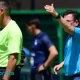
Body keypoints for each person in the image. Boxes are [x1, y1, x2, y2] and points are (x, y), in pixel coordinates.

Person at [44, 3, 80, 80]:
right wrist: (62, 64)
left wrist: (56, 15)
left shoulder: (79, 33)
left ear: (76, 22)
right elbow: (74, 54)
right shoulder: (70, 37)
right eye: (64, 20)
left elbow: (69, 28)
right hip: (72, 75)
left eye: (67, 21)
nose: (64, 23)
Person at [0, 0, 23, 80]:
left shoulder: (13, 30)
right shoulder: (4, 29)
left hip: (6, 72)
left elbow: (13, 58)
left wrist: (5, 78)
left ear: (1, 11)